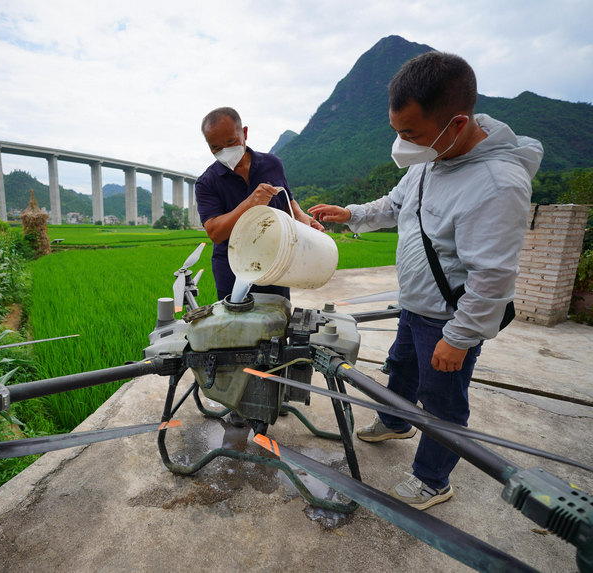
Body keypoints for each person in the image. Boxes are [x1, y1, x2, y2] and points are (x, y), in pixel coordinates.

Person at [309, 52, 543, 510]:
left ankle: (433, 479)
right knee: (401, 368)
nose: (401, 143)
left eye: (409, 133)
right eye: (398, 131)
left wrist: (458, 338)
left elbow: (493, 277)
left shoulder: (497, 185)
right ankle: (396, 422)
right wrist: (350, 215)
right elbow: (396, 206)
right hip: (414, 306)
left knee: (442, 404)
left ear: (456, 123)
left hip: (448, 321)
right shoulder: (431, 156)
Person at [195, 107, 323, 302]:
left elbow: (288, 199)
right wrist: (249, 205)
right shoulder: (207, 182)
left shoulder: (273, 164)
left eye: (230, 142)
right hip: (232, 272)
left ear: (244, 133)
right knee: (234, 328)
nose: (225, 151)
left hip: (277, 262)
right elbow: (214, 232)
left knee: (277, 322)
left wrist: (300, 216)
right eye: (216, 148)